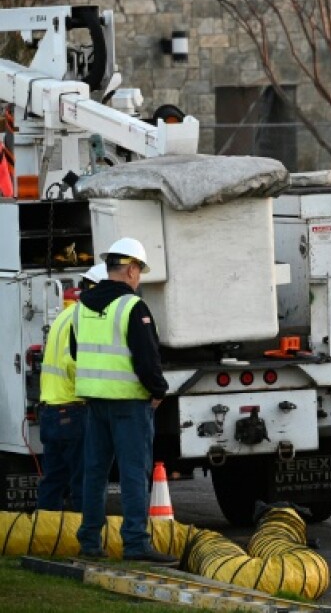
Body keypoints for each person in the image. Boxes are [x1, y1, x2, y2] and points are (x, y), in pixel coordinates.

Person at [74, 238, 175, 564]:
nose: (139, 279)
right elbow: (148, 359)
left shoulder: (81, 306)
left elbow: (77, 353)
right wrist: (158, 391)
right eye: (139, 272)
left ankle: (90, 541)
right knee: (133, 473)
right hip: (129, 404)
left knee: (94, 473)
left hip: (94, 402)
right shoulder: (132, 307)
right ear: (131, 269)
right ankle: (135, 543)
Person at [36, 263, 106, 511]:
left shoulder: (65, 315)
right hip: (73, 410)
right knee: (83, 480)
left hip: (52, 410)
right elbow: (73, 362)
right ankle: (85, 538)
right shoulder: (83, 318)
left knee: (53, 480)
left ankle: (44, 536)